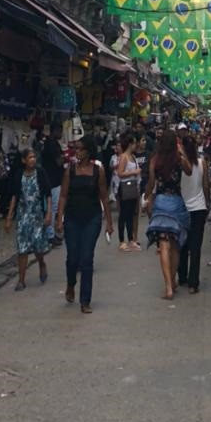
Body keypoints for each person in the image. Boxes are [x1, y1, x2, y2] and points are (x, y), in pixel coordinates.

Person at [56, 135, 112, 314]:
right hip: (72, 217)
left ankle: (85, 300)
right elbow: (63, 195)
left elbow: (104, 196)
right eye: (76, 149)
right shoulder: (70, 171)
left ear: (88, 151)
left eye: (80, 149)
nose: (77, 152)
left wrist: (109, 221)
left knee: (87, 258)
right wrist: (59, 218)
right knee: (73, 258)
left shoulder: (98, 171)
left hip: (92, 218)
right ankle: (71, 284)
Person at [144, 129, 193, 300]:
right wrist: (181, 153)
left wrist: (146, 197)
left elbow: (151, 184)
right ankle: (173, 280)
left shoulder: (155, 160)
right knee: (175, 245)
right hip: (176, 203)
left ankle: (168, 287)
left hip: (161, 203)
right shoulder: (178, 159)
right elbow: (189, 171)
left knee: (163, 245)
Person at [4, 148, 51, 290]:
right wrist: (9, 217)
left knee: (38, 246)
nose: (33, 160)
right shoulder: (19, 175)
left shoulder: (40, 173)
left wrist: (48, 214)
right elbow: (15, 196)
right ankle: (21, 280)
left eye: (34, 157)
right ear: (24, 160)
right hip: (23, 215)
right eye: (30, 157)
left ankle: (41, 263)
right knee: (22, 248)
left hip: (37, 215)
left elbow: (47, 194)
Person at [177, 131, 211, 293]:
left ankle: (182, 276)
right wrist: (208, 201)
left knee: (182, 243)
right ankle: (193, 282)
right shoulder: (202, 163)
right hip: (199, 208)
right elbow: (206, 185)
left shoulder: (181, 164)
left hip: (183, 208)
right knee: (195, 246)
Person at [116, 134, 142, 250]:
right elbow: (120, 173)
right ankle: (122, 240)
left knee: (131, 214)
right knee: (124, 215)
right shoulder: (124, 157)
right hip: (125, 187)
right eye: (135, 143)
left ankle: (131, 239)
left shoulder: (133, 157)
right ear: (130, 144)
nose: (136, 145)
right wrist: (134, 172)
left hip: (133, 187)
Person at [41, 121, 65, 246]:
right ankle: (50, 235)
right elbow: (58, 162)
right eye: (60, 131)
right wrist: (65, 157)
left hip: (51, 179)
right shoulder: (52, 145)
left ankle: (49, 233)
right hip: (53, 180)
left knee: (51, 207)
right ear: (55, 130)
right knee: (53, 207)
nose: (61, 134)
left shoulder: (49, 143)